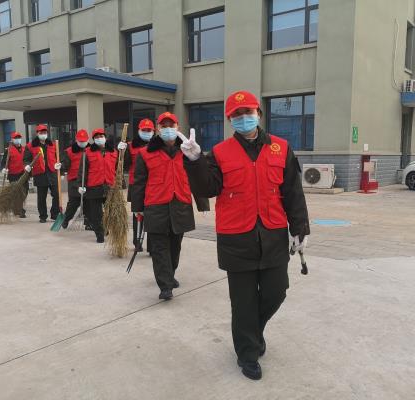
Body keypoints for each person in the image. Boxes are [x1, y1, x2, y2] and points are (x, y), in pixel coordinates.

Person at [179, 91, 310, 381]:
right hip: (236, 238)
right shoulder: (220, 153)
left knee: (277, 291)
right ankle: (247, 353)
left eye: (248, 112)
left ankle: (253, 332)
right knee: (243, 302)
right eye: (236, 114)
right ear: (230, 120)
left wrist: (300, 228)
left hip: (273, 234)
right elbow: (207, 189)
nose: (243, 118)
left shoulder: (281, 148)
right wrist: (195, 160)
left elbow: (292, 192)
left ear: (258, 114)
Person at [131, 112, 208, 300]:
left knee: (175, 247)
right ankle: (165, 285)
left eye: (171, 126)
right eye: (163, 126)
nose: (167, 129)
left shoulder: (187, 150)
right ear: (158, 129)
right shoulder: (145, 153)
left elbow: (197, 177)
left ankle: (170, 274)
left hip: (180, 204)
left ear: (177, 127)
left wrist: (202, 203)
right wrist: (137, 208)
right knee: (159, 248)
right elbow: (139, 182)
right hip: (155, 206)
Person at [118, 118, 154, 252]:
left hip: (154, 184)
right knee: (138, 214)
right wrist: (121, 152)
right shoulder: (130, 145)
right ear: (139, 130)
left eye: (149, 130)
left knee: (153, 215)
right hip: (136, 185)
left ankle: (152, 245)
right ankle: (137, 241)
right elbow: (124, 165)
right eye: (144, 130)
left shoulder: (157, 145)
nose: (147, 132)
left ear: (153, 131)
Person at [83, 128, 118, 243]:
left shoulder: (113, 151)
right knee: (96, 213)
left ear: (105, 137)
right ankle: (99, 234)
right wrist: (81, 185)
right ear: (93, 139)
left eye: (101, 136)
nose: (99, 139)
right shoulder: (88, 152)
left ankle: (106, 228)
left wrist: (120, 183)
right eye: (96, 137)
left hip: (109, 186)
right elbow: (83, 170)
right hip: (94, 186)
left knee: (111, 211)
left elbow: (118, 168)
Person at [24, 124, 60, 223]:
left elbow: (58, 157)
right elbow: (26, 159)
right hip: (40, 174)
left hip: (52, 173)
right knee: (41, 197)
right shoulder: (30, 146)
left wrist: (59, 166)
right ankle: (43, 216)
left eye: (45, 132)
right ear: (37, 133)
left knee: (56, 194)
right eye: (41, 132)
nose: (43, 134)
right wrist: (27, 166)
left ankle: (55, 214)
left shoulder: (52, 144)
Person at [60, 129, 89, 229]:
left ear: (88, 140)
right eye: (80, 141)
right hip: (74, 180)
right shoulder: (69, 151)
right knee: (73, 202)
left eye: (84, 141)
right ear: (76, 140)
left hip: (88, 180)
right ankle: (66, 219)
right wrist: (61, 167)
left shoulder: (91, 150)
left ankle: (88, 223)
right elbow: (65, 164)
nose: (82, 143)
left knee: (89, 203)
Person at [0, 131, 27, 218]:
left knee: (24, 192)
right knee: (16, 193)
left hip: (24, 174)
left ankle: (18, 208)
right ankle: (19, 210)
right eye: (16, 138)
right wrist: (4, 168)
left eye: (19, 138)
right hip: (13, 175)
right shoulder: (8, 150)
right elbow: (4, 162)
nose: (18, 139)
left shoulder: (24, 149)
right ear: (12, 139)